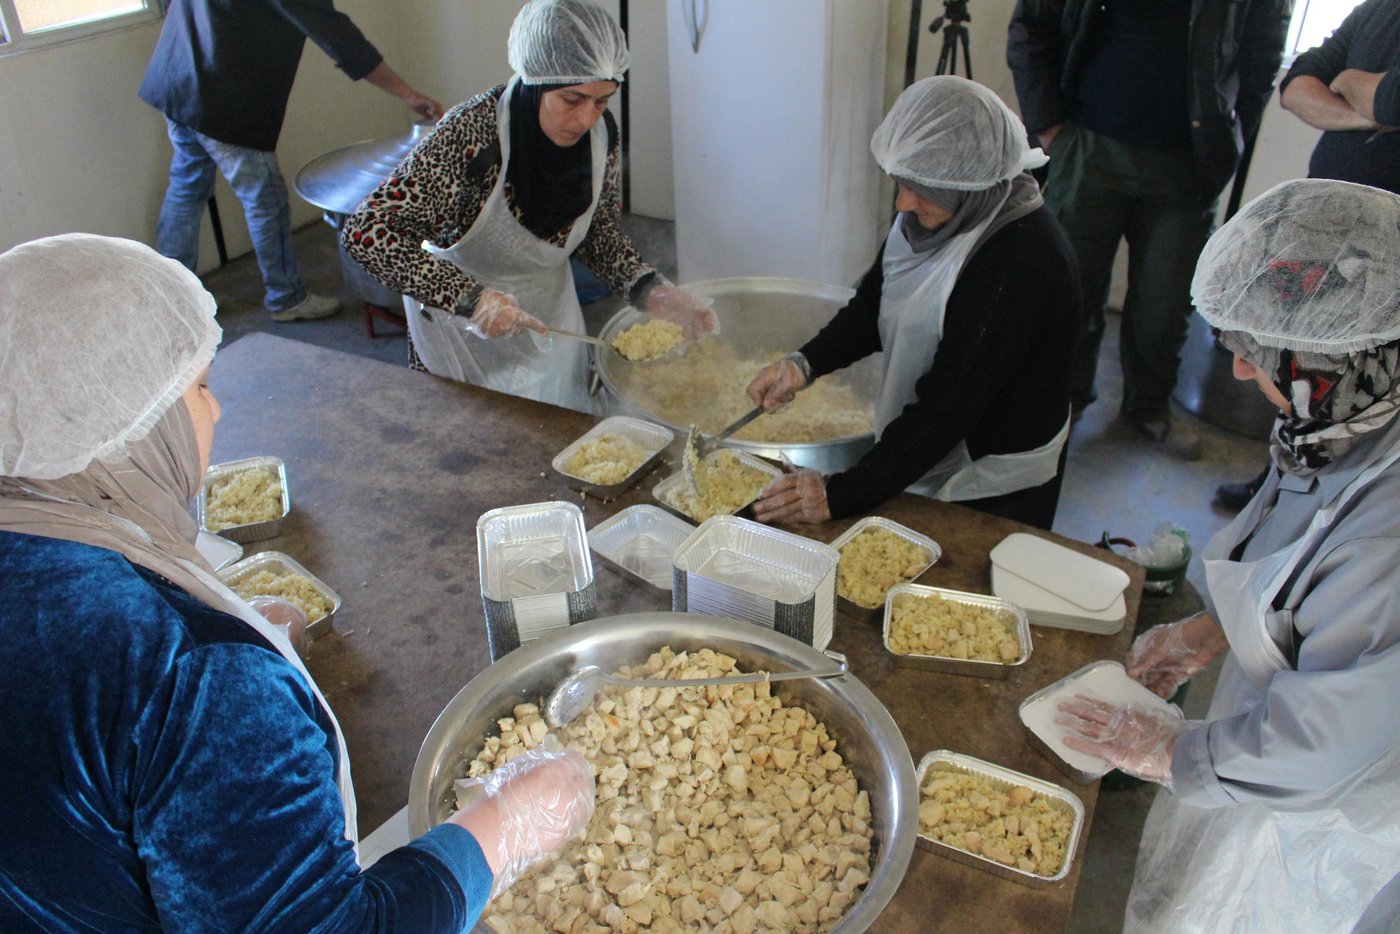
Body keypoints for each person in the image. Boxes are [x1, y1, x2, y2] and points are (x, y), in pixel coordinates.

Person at [0, 234, 595, 929]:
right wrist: (500, 828)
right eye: (200, 387)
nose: (218, 410)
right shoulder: (201, 679)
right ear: (136, 428)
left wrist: (239, 635)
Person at [1054, 180, 1400, 932]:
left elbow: (1322, 749)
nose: (1242, 372)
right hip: (1277, 735)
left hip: (1332, 807)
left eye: (1260, 354)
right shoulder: (1342, 413)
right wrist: (1206, 633)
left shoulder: (1390, 533)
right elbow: (1289, 544)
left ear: (1339, 356)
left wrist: (1169, 753)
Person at [342, 0, 716, 414]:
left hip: (549, 320)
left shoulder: (600, 136)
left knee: (556, 439)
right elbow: (368, 231)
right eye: (572, 99)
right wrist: (471, 299)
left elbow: (596, 231)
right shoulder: (471, 134)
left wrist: (650, 290)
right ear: (537, 81)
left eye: (602, 101)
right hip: (463, 338)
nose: (586, 119)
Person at [745, 76, 1080, 531]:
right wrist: (803, 364)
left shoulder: (1021, 262)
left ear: (967, 182)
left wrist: (841, 493)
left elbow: (948, 407)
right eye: (899, 183)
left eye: (918, 188)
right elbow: (875, 302)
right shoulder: (934, 212)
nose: (902, 202)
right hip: (927, 443)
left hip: (993, 479)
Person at [1007, 0, 1291, 461]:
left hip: (1187, 162)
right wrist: (1048, 122)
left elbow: (1261, 60)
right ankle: (1063, 401)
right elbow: (1032, 26)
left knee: (1166, 301)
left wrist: (1230, 140)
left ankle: (1148, 408)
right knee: (1069, 289)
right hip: (1088, 146)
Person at [139, 0, 445, 323]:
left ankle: (173, 299)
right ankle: (286, 297)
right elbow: (337, 35)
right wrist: (406, 93)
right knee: (265, 199)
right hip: (222, 95)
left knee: (187, 188)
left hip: (177, 75)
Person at [1215, 0, 1400, 511]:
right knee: (1297, 368)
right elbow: (1297, 87)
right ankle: (1281, 480)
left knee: (1373, 385)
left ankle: (1341, 503)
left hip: (1394, 255)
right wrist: (1371, 112)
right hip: (1329, 232)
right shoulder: (1380, 10)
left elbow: (1393, 97)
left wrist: (1357, 86)